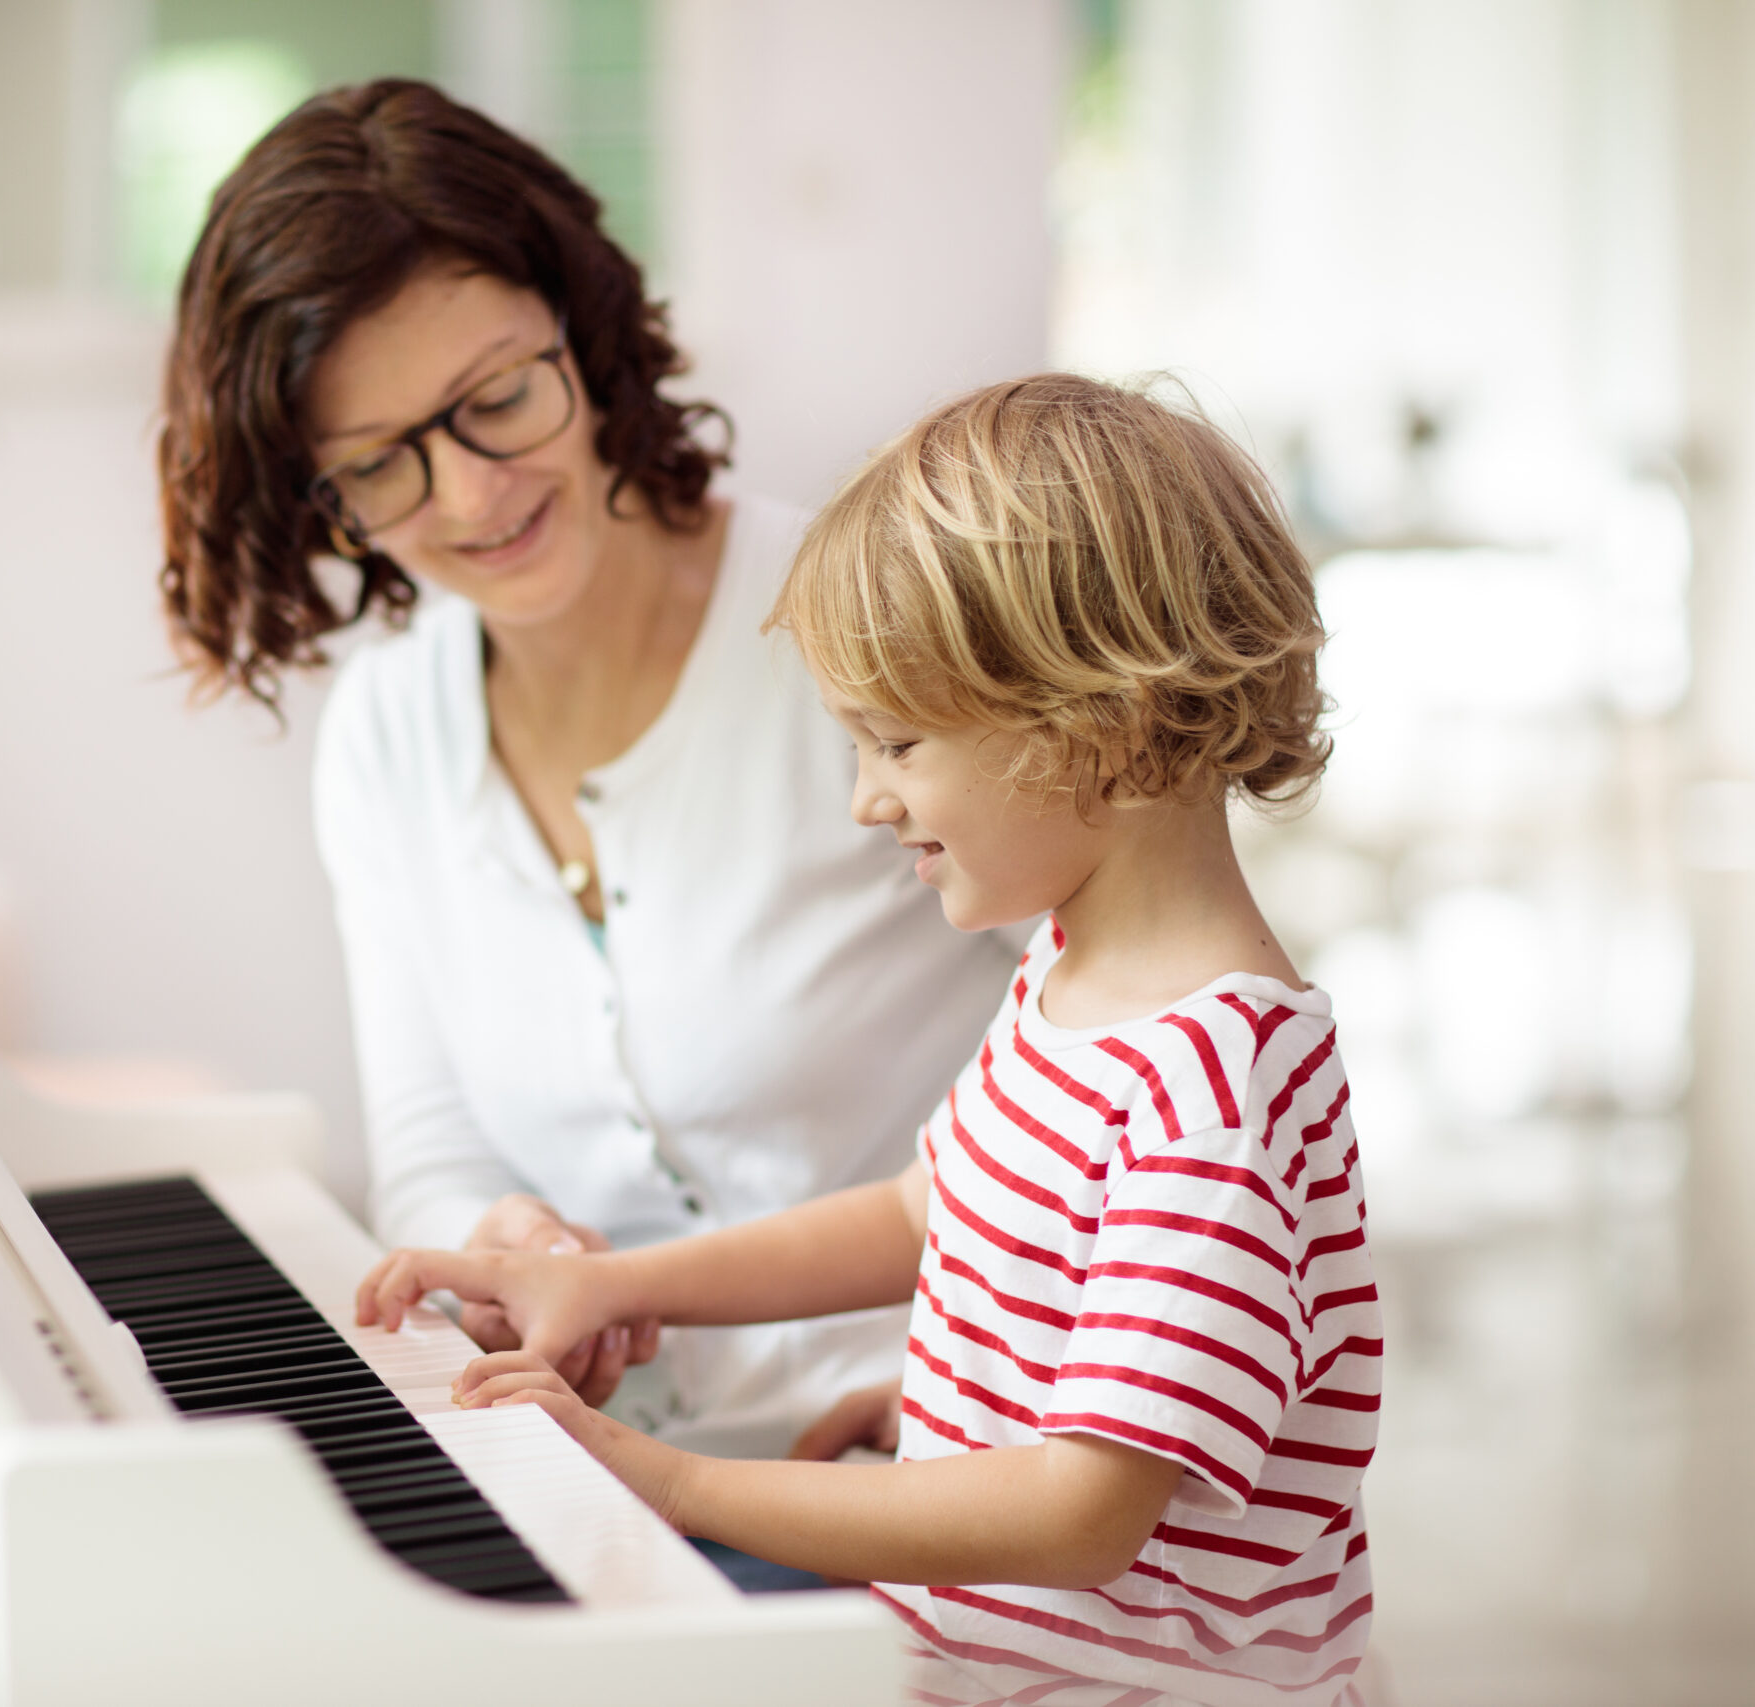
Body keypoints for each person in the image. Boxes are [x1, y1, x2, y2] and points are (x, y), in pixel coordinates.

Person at [356, 375, 1382, 1704]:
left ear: (1103, 725)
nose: (863, 802)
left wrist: (677, 1481)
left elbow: (1083, 1513)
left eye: (896, 744)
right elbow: (931, 1215)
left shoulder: (1211, 1094)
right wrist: (625, 1288)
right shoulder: (1076, 983)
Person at [156, 76, 1014, 1496]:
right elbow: (427, 1149)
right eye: (378, 466)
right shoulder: (386, 735)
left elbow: (1143, 1063)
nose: (473, 496)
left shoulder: (861, 626)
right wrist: (504, 1248)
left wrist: (992, 1387)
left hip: (958, 1457)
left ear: (586, 330)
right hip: (603, 1485)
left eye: (499, 397)